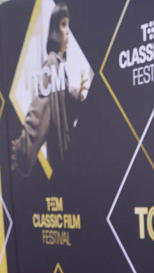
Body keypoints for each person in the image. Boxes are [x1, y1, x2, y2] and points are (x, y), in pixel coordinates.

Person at [10, 2, 90, 176]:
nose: (67, 31)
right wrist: (23, 149)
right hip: (61, 160)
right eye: (63, 25)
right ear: (55, 29)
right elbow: (40, 111)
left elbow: (62, 101)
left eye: (68, 25)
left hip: (65, 157)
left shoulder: (59, 65)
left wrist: (77, 94)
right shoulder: (51, 63)